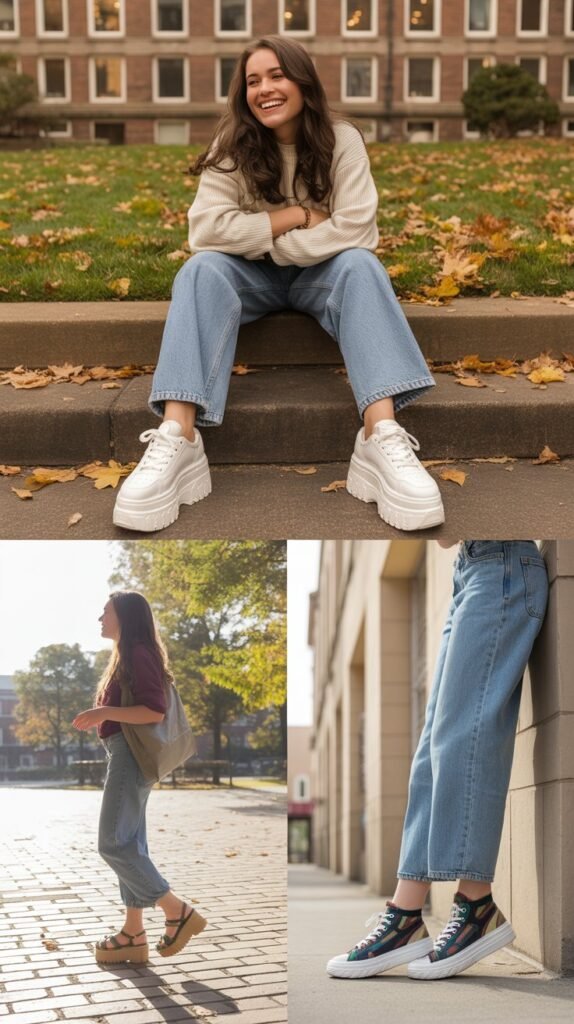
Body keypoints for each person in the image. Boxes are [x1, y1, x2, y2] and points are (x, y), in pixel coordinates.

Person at [113, 35, 444, 534]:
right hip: (248, 278)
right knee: (200, 270)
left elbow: (357, 230)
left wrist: (271, 242)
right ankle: (178, 437)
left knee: (361, 265)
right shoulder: (233, 143)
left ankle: (381, 435)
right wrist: (295, 216)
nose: (264, 89)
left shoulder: (341, 140)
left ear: (303, 82)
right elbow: (204, 231)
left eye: (276, 76)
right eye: (252, 81)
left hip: (323, 274)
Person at [327, 540, 549, 981]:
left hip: (502, 563)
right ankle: (407, 914)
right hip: (471, 569)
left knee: (460, 737)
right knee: (432, 749)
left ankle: (475, 905)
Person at [72, 591, 207, 964]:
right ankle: (133, 933)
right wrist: (105, 715)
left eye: (106, 612)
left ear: (124, 618)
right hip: (125, 752)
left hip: (130, 755)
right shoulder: (126, 655)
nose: (100, 618)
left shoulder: (138, 653)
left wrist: (102, 712)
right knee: (130, 843)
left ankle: (177, 911)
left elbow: (153, 711)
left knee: (113, 844)